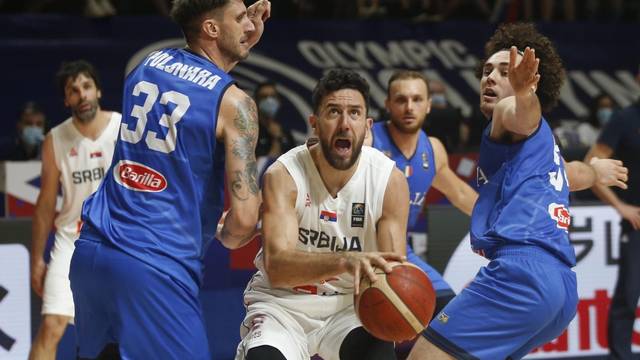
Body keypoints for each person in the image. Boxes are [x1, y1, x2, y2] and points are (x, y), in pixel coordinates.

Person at [408, 22, 628, 360]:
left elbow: (521, 115)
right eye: (486, 70)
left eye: (504, 71)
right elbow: (571, 173)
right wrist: (595, 171)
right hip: (560, 291)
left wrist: (525, 94)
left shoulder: (510, 114)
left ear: (530, 79)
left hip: (520, 275)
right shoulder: (544, 148)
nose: (490, 77)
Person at [68, 0, 270, 358]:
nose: (249, 26)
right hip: (153, 266)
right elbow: (243, 221)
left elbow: (201, 76)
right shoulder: (236, 104)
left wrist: (239, 34)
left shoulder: (148, 64)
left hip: (91, 253)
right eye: (240, 19)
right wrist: (227, 233)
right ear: (211, 28)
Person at [235, 69, 409, 360]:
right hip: (283, 305)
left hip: (349, 307)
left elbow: (389, 274)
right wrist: (345, 260)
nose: (344, 124)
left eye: (354, 113)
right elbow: (278, 269)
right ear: (314, 124)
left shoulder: (388, 181)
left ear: (367, 127)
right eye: (333, 112)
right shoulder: (284, 174)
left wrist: (401, 307)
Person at [29, 60, 121, 360]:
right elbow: (45, 204)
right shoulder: (54, 139)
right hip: (72, 241)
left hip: (119, 242)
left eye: (86, 87)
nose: (81, 95)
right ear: (66, 99)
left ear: (98, 91)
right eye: (73, 90)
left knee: (126, 331)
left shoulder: (123, 128)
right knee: (52, 325)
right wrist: (37, 259)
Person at [367, 70, 478, 317]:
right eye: (401, 100)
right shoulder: (369, 140)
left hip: (403, 254)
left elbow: (459, 192)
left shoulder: (433, 148)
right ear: (387, 105)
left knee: (450, 316)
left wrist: (502, 222)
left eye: (417, 100)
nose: (409, 107)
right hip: (360, 255)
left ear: (428, 106)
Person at [585, 66, 640, 360]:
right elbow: (590, 163)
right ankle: (620, 356)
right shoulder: (623, 120)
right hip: (637, 225)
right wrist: (619, 206)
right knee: (628, 297)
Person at [254, 81, 295, 159]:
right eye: (264, 97)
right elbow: (262, 166)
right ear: (256, 101)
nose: (269, 100)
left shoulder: (285, 132)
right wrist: (275, 139)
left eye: (273, 96)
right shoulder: (250, 132)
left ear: (279, 101)